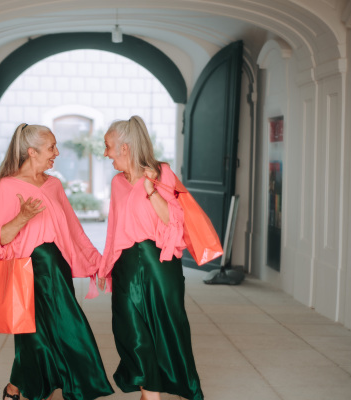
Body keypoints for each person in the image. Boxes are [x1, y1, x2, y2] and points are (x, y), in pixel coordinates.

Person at [0, 123, 114, 400]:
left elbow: (73, 230)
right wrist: (22, 217)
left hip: (56, 270)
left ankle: (16, 388)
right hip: (27, 271)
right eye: (51, 147)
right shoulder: (8, 187)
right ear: (31, 152)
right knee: (40, 334)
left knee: (57, 329)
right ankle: (73, 389)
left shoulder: (54, 184)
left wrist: (97, 263)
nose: (56, 152)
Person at [98, 116, 204, 400]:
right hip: (126, 266)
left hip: (160, 264)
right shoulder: (116, 183)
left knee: (167, 329)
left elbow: (174, 220)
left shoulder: (162, 173)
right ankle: (151, 394)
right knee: (129, 330)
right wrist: (105, 263)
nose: (105, 152)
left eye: (108, 146)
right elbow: (113, 227)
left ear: (125, 148)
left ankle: (152, 394)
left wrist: (150, 190)